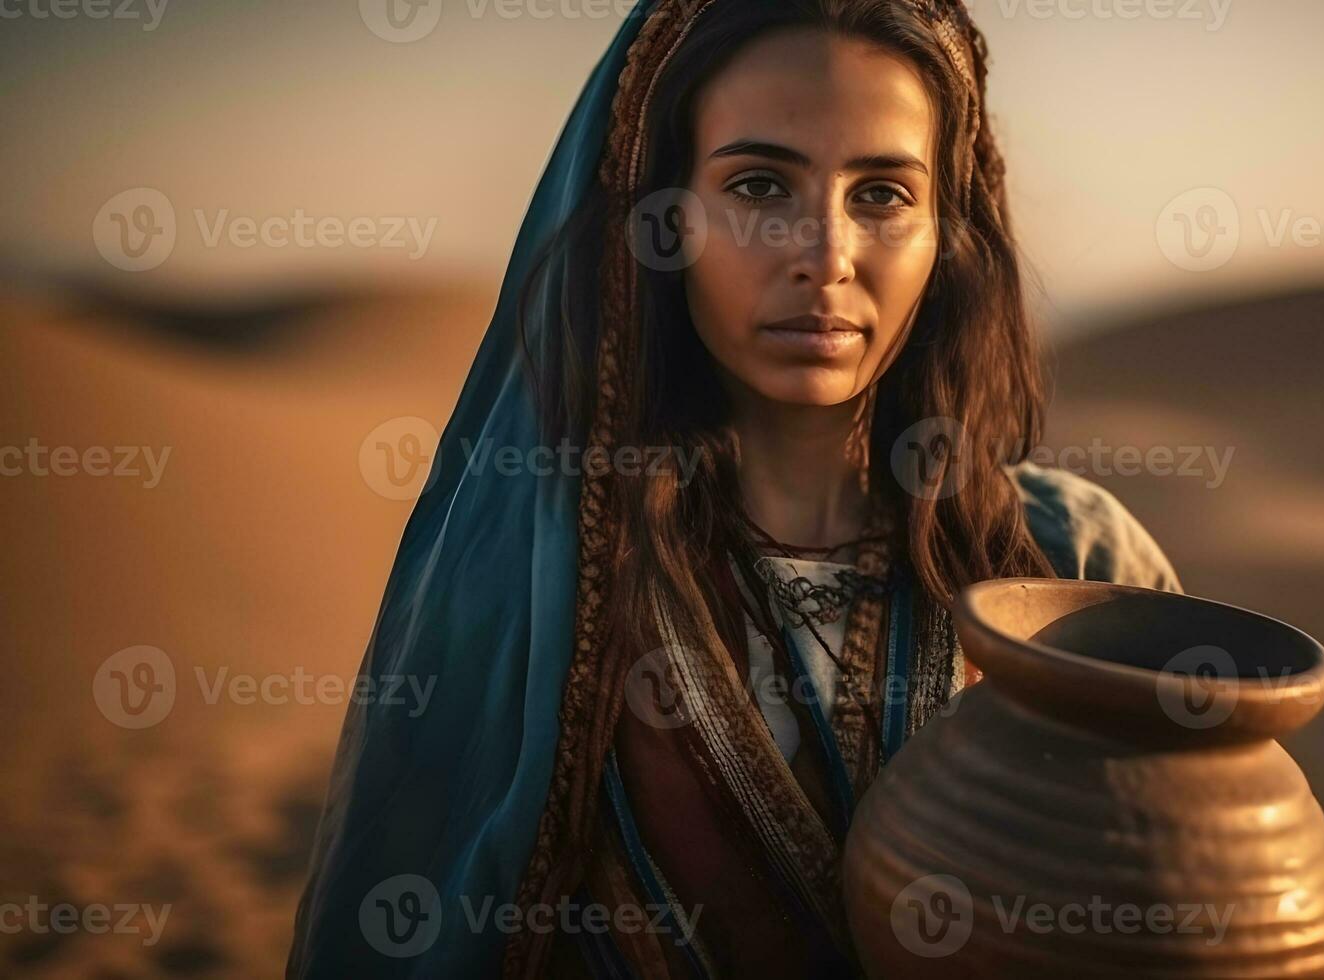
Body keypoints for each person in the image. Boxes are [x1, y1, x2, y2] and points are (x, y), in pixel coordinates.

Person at [288, 0, 1180, 975]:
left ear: (946, 229)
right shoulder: (533, 581)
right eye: (760, 184)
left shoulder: (1073, 560)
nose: (827, 255)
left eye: (881, 193)